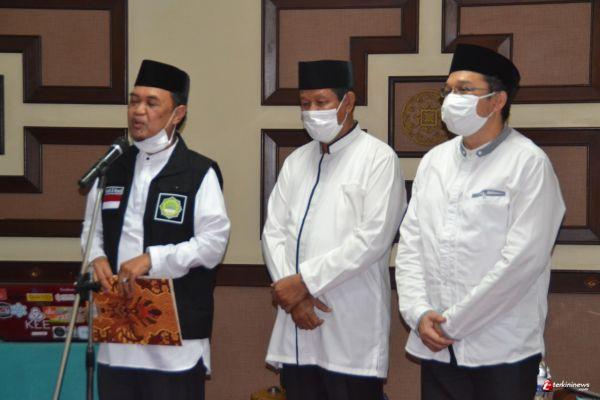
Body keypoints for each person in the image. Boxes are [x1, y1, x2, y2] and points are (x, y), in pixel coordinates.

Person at [395, 44, 565, 400]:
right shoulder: (434, 162)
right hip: (437, 346)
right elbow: (411, 245)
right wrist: (419, 312)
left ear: (497, 100)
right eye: (448, 90)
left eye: (464, 90)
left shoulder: (528, 163)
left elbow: (522, 262)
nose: (450, 99)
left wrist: (454, 323)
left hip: (502, 349)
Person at [81, 59, 230, 400]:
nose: (138, 111)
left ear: (178, 114)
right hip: (118, 333)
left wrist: (152, 260)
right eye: (134, 101)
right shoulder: (111, 167)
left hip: (175, 337)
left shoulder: (198, 172)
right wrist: (96, 257)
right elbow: (92, 228)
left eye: (151, 103)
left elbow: (213, 244)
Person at [262, 60, 406, 400]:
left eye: (321, 102)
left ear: (348, 102)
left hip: (350, 323)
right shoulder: (296, 161)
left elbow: (373, 239)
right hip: (297, 321)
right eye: (305, 103)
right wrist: (292, 294)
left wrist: (305, 282)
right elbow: (273, 232)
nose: (312, 112)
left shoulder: (378, 159)